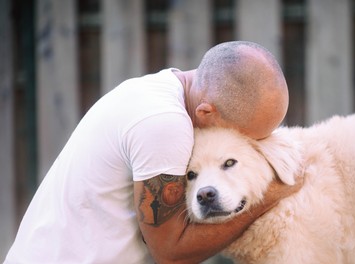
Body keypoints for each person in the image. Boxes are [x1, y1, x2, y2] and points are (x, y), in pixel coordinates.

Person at [4, 41, 301, 264]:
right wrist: (272, 195)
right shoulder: (163, 126)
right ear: (206, 112)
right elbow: (170, 253)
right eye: (247, 134)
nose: (255, 143)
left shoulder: (155, 90)